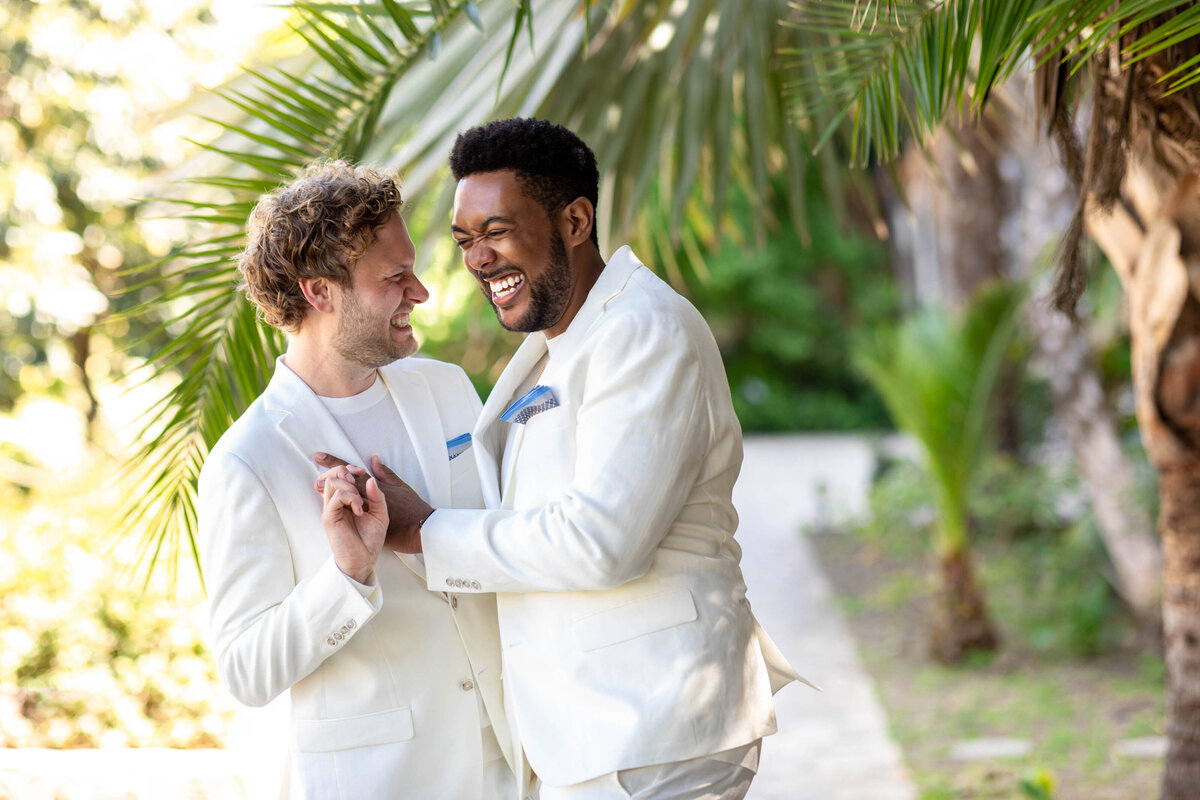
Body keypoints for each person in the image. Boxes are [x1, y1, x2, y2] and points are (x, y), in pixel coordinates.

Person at [324, 119, 813, 800]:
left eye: (496, 231)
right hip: (600, 734)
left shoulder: (643, 331)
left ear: (575, 219)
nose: (477, 258)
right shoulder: (561, 344)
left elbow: (601, 540)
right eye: (465, 240)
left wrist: (424, 530)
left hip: (657, 730)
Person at [197, 160, 521, 799]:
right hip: (379, 781)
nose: (421, 291)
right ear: (319, 292)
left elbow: (505, 540)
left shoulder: (447, 388)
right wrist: (346, 577)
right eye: (395, 276)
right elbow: (247, 671)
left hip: (504, 766)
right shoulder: (246, 461)